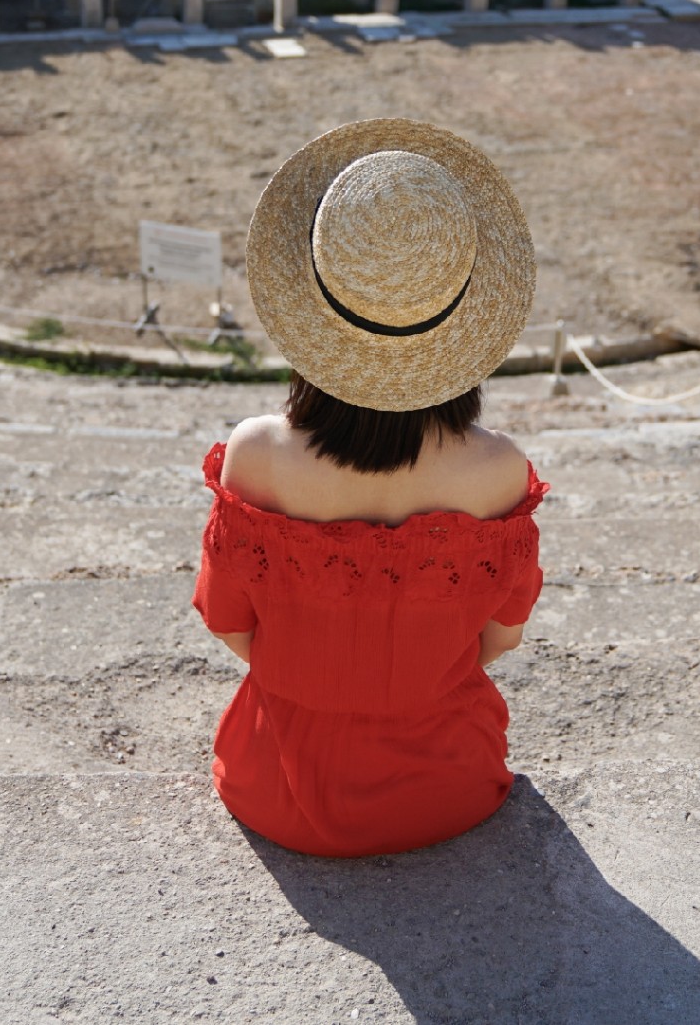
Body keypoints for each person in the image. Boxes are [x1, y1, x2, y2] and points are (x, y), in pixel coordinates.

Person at [193, 118, 546, 858]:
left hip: (278, 787)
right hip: (453, 786)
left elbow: (231, 628)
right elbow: (499, 640)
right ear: (462, 320)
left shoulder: (255, 453)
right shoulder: (500, 471)